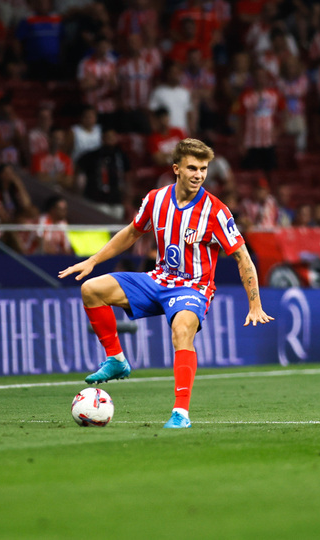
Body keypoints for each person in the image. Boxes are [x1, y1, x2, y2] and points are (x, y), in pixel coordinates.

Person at [58, 138, 273, 429]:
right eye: (192, 168)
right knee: (91, 289)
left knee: (182, 329)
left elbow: (243, 258)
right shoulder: (156, 199)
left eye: (204, 169)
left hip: (193, 288)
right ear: (177, 169)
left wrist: (255, 303)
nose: (199, 175)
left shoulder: (216, 211)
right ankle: (116, 359)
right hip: (157, 279)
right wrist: (94, 260)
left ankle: (180, 414)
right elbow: (132, 233)